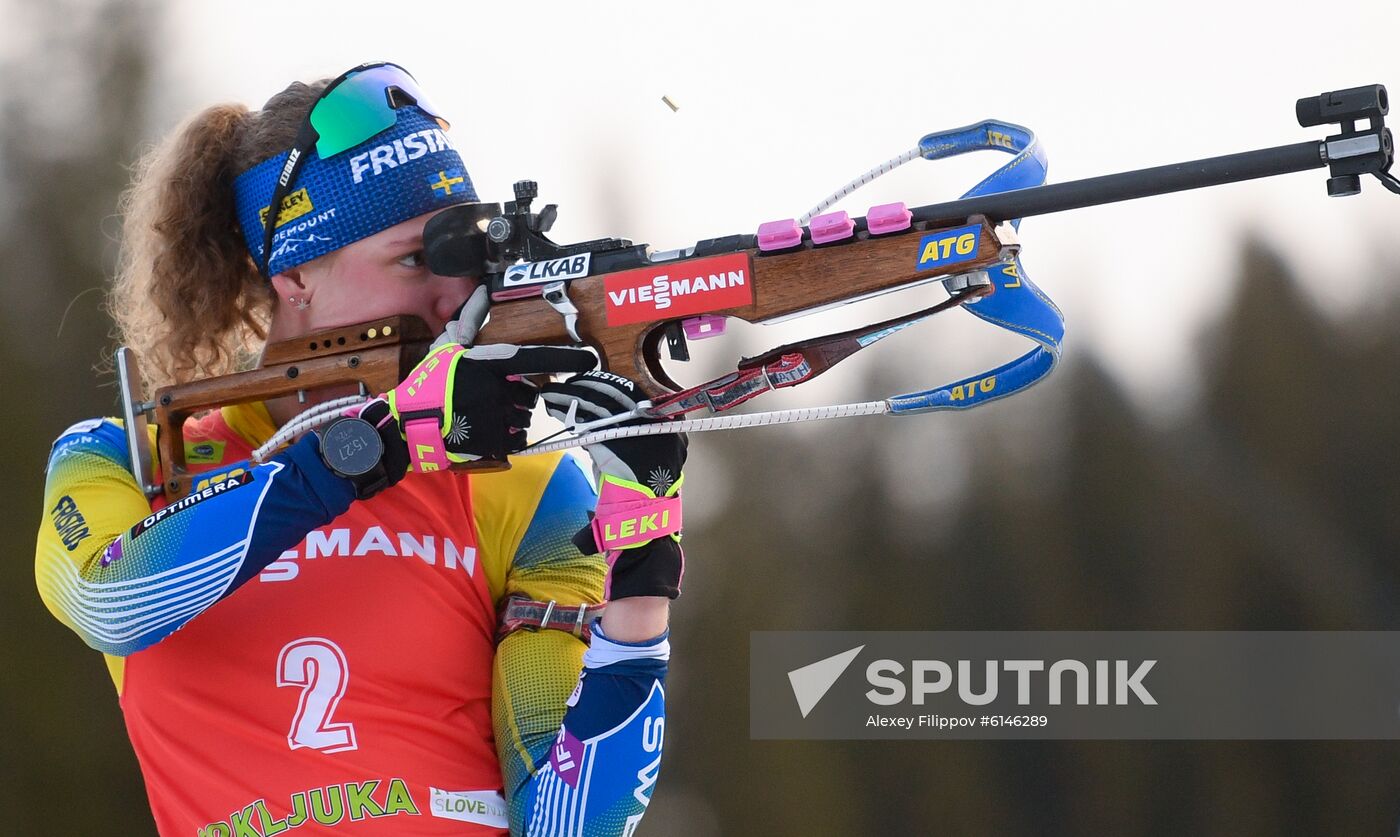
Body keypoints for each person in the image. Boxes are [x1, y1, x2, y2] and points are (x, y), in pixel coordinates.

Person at [34, 62, 687, 836]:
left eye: (469, 262)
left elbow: (569, 822)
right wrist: (373, 446)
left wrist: (642, 569)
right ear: (297, 270)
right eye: (417, 260)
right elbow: (112, 596)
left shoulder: (528, 487)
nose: (456, 298)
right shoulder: (122, 459)